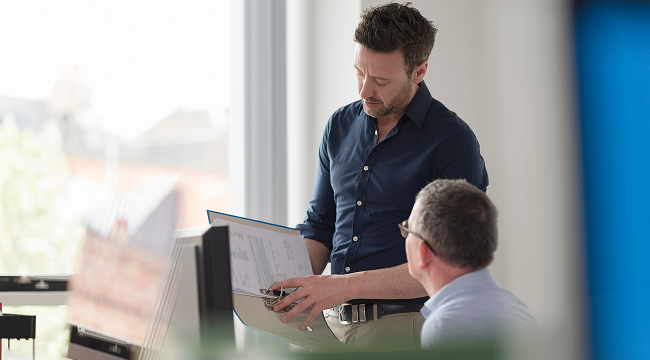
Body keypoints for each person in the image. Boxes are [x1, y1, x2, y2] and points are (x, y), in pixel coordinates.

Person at [272, 2, 489, 348]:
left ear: (419, 72)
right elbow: (320, 228)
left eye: (380, 81)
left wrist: (342, 286)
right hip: (326, 324)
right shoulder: (339, 126)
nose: (363, 91)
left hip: (402, 326)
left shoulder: (453, 142)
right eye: (360, 72)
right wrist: (272, 282)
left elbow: (451, 266)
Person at [403, 179, 538, 347]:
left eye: (407, 230)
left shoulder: (445, 325)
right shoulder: (516, 308)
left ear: (423, 251)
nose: (405, 236)